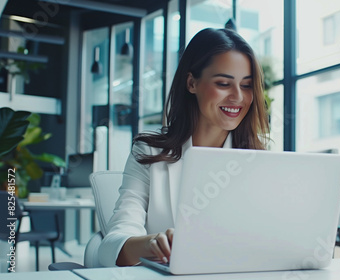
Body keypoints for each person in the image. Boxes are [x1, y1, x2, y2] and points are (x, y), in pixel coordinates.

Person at [98, 28, 269, 267]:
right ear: (191, 83)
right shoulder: (148, 151)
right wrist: (151, 244)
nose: (238, 97)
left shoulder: (260, 158)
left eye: (247, 86)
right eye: (223, 83)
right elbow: (111, 247)